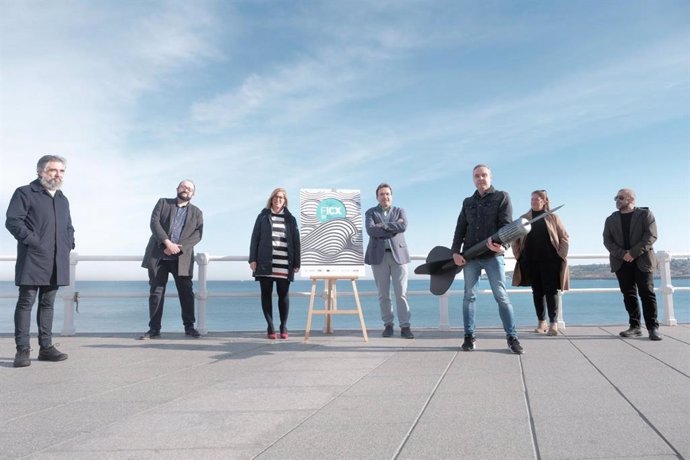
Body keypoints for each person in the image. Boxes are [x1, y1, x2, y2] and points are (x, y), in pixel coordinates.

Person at [6, 155, 74, 367]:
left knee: (48, 303)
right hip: (33, 257)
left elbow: (68, 226)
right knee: (26, 302)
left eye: (61, 171)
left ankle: (46, 347)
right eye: (53, 170)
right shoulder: (25, 192)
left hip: (56, 259)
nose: (58, 175)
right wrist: (33, 241)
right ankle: (23, 350)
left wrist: (69, 242)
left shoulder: (62, 198)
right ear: (40, 172)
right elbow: (13, 221)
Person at [451, 164, 524, 354]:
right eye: (477, 176)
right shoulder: (467, 202)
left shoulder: (502, 197)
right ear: (473, 179)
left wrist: (503, 246)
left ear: (490, 177)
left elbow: (507, 226)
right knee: (469, 297)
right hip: (470, 256)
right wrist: (455, 252)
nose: (480, 179)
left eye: (484, 175)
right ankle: (469, 337)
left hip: (494, 255)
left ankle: (512, 338)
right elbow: (460, 228)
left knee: (501, 296)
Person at [139, 180, 203, 339]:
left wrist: (178, 248)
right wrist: (167, 243)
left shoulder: (197, 212)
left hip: (182, 257)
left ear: (193, 194)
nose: (186, 189)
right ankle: (154, 329)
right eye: (183, 186)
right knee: (156, 293)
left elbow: (198, 235)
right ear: (177, 189)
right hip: (159, 254)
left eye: (189, 189)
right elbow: (154, 223)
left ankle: (189, 327)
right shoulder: (163, 203)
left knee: (186, 293)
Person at [603, 188, 661, 341]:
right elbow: (607, 241)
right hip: (621, 262)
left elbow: (651, 235)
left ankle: (652, 328)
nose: (617, 200)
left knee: (647, 294)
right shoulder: (611, 219)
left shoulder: (645, 214)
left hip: (642, 260)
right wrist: (623, 254)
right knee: (628, 295)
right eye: (616, 197)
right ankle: (634, 327)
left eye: (621, 197)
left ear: (631, 199)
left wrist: (633, 253)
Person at [512, 190, 570, 336]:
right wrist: (518, 255)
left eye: (537, 199)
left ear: (544, 201)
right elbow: (515, 238)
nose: (533, 201)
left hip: (550, 261)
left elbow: (564, 237)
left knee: (551, 292)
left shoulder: (553, 217)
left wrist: (560, 256)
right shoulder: (524, 218)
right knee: (537, 292)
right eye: (532, 199)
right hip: (530, 261)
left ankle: (553, 324)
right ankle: (541, 322)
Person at [249, 188, 301, 340]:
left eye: (281, 198)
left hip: (284, 261)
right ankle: (270, 326)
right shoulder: (262, 216)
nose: (278, 200)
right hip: (264, 261)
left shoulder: (291, 219)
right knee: (266, 294)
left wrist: (297, 262)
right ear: (271, 199)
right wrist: (253, 259)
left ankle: (283, 326)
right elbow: (255, 238)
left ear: (285, 201)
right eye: (276, 197)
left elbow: (296, 241)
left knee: (283, 295)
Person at [365, 183, 414, 339]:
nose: (385, 196)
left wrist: (383, 225)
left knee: (401, 293)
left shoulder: (400, 211)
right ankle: (388, 325)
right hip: (379, 257)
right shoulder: (370, 212)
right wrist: (393, 227)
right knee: (383, 294)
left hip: (398, 256)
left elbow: (404, 226)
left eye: (387, 194)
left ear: (391, 196)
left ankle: (405, 326)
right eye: (381, 194)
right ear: (377, 197)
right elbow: (371, 230)